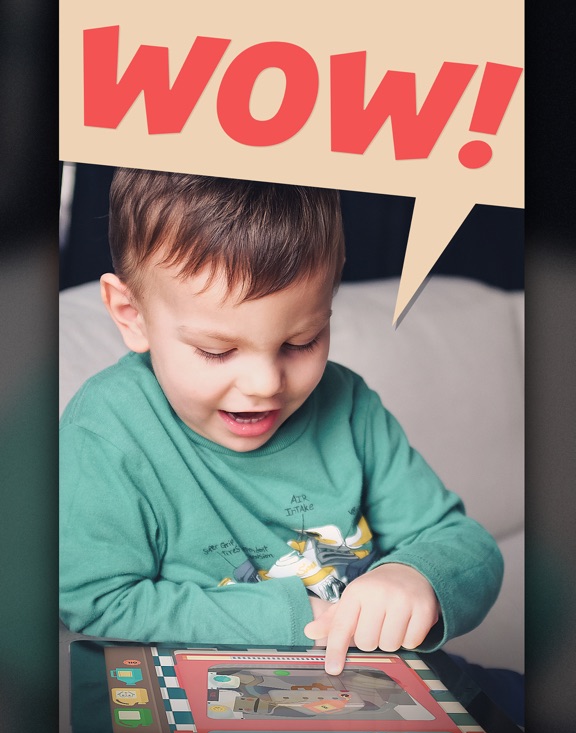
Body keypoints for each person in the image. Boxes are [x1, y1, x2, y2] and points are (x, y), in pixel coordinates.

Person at [59, 169, 503, 677]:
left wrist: (415, 576)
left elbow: (467, 546)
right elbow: (95, 600)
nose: (266, 383)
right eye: (217, 350)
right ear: (130, 314)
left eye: (302, 342)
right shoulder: (107, 431)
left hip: (383, 693)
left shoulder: (348, 403)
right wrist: (295, 619)